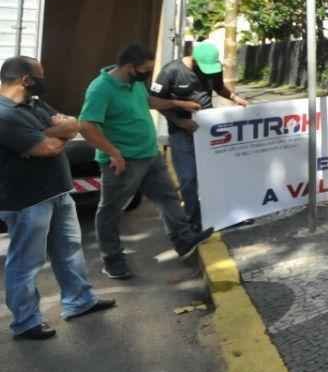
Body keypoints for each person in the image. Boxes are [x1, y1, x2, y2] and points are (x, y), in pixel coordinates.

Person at [0, 57, 115, 341]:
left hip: (58, 191)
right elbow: (49, 148)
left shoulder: (34, 103)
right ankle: (26, 323)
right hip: (27, 201)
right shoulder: (4, 114)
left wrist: (48, 134)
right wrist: (51, 134)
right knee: (26, 262)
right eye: (41, 75)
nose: (45, 79)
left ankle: (79, 301)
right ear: (26, 79)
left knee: (70, 249)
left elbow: (74, 125)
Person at [80, 43, 214, 280]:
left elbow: (149, 102)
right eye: (146, 69)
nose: (149, 73)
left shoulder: (134, 83)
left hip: (149, 155)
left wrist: (178, 103)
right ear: (131, 67)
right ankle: (112, 261)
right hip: (123, 161)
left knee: (168, 197)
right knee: (110, 210)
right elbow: (87, 126)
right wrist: (114, 153)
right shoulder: (101, 89)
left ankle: (183, 240)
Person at [151, 41, 248, 229]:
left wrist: (236, 98)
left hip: (208, 131)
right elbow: (153, 101)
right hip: (181, 132)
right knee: (188, 178)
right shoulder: (171, 71)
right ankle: (194, 221)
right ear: (194, 60)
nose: (208, 73)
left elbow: (219, 88)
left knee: (215, 175)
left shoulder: (213, 68)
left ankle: (223, 217)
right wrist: (180, 120)